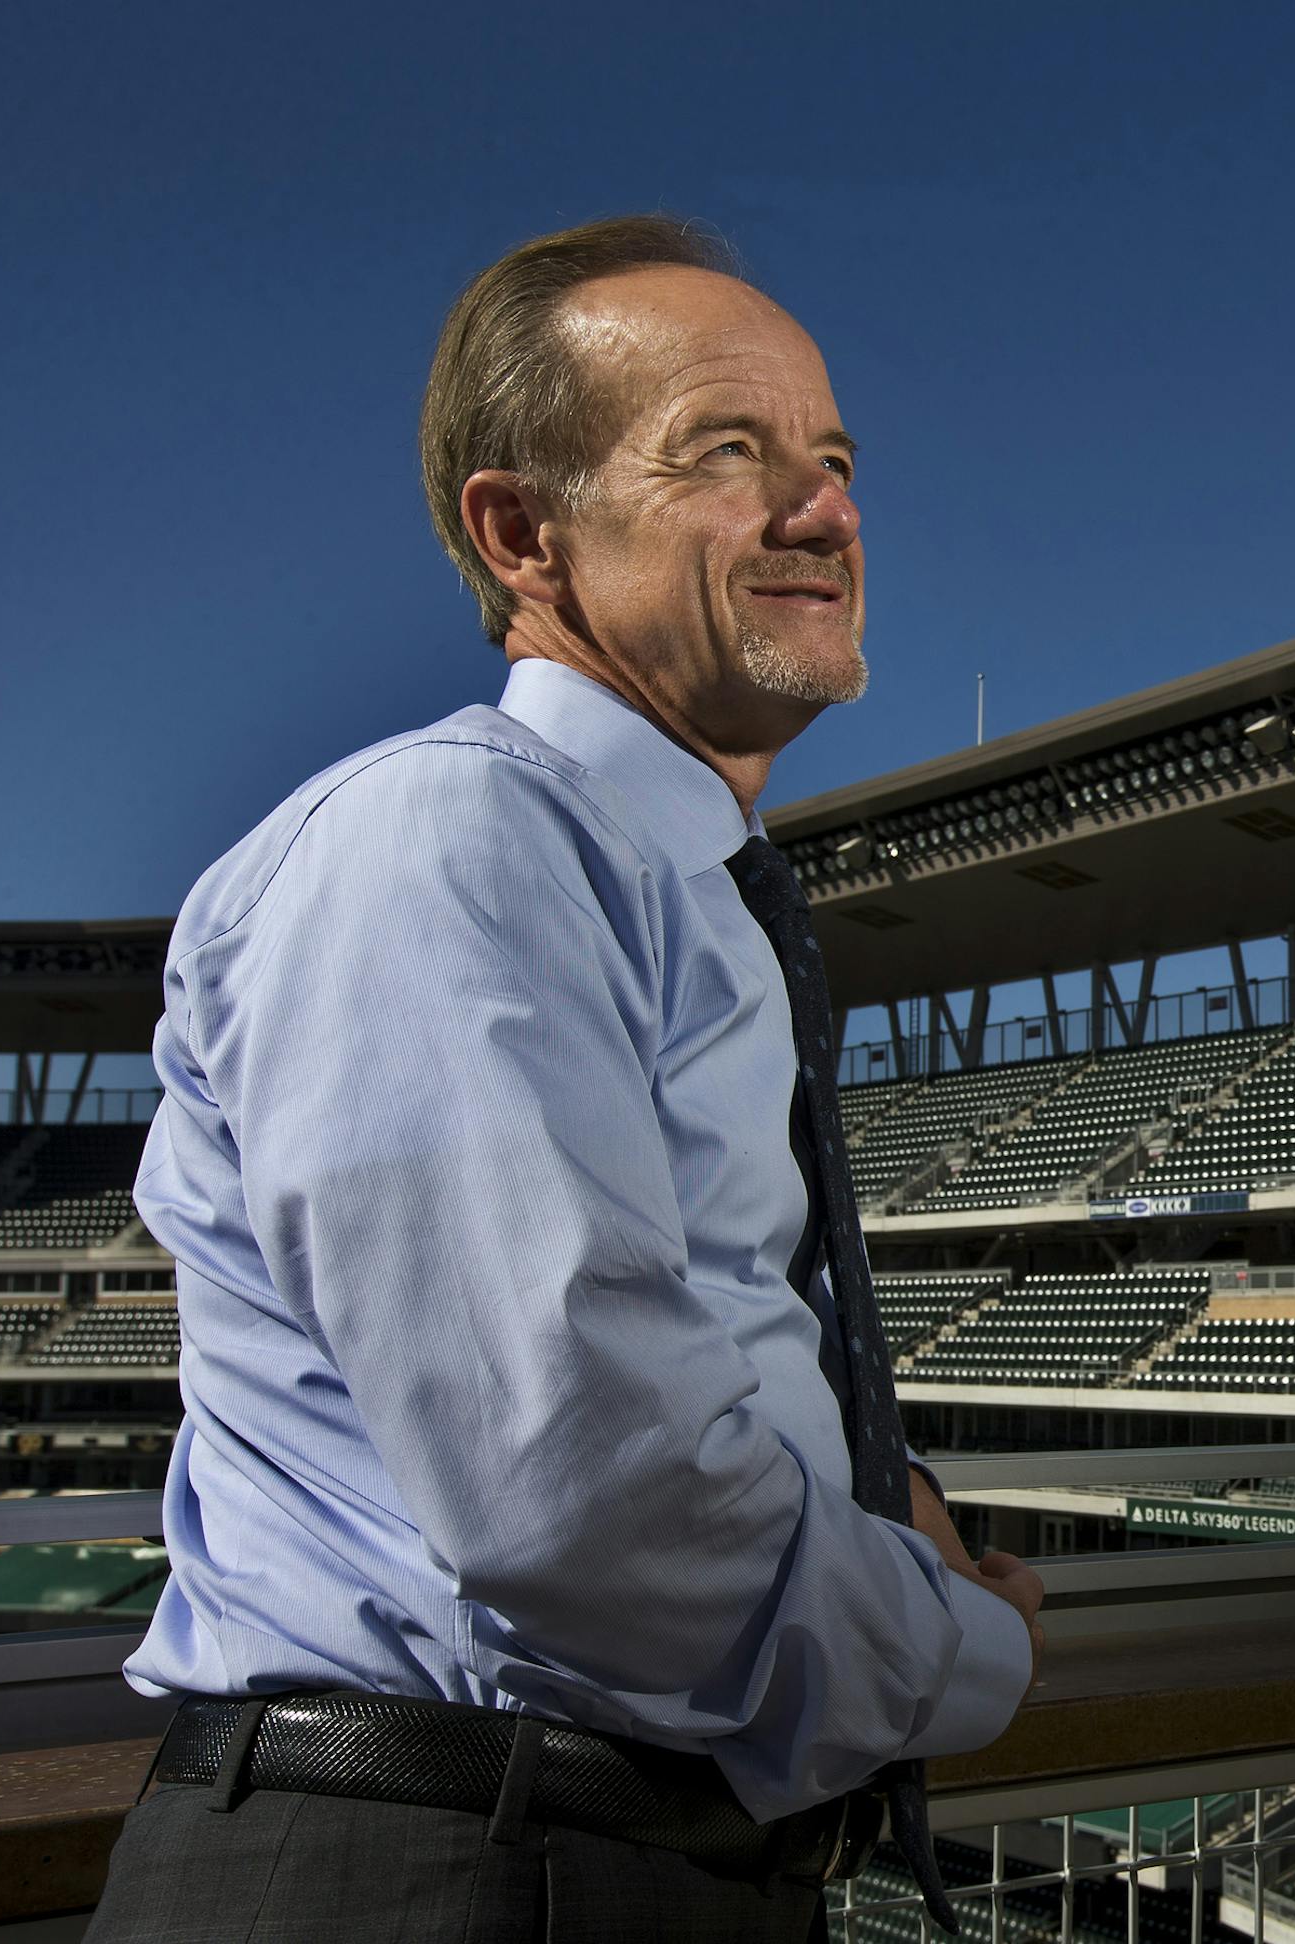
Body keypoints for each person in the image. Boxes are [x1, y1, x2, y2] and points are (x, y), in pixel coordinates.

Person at [86, 214, 1044, 1943]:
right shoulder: (452, 838)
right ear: (524, 533)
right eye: (727, 453)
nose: (825, 513)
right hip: (433, 1860)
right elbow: (586, 1490)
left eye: (833, 462)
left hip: (610, 1854)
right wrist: (957, 1639)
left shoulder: (680, 886)